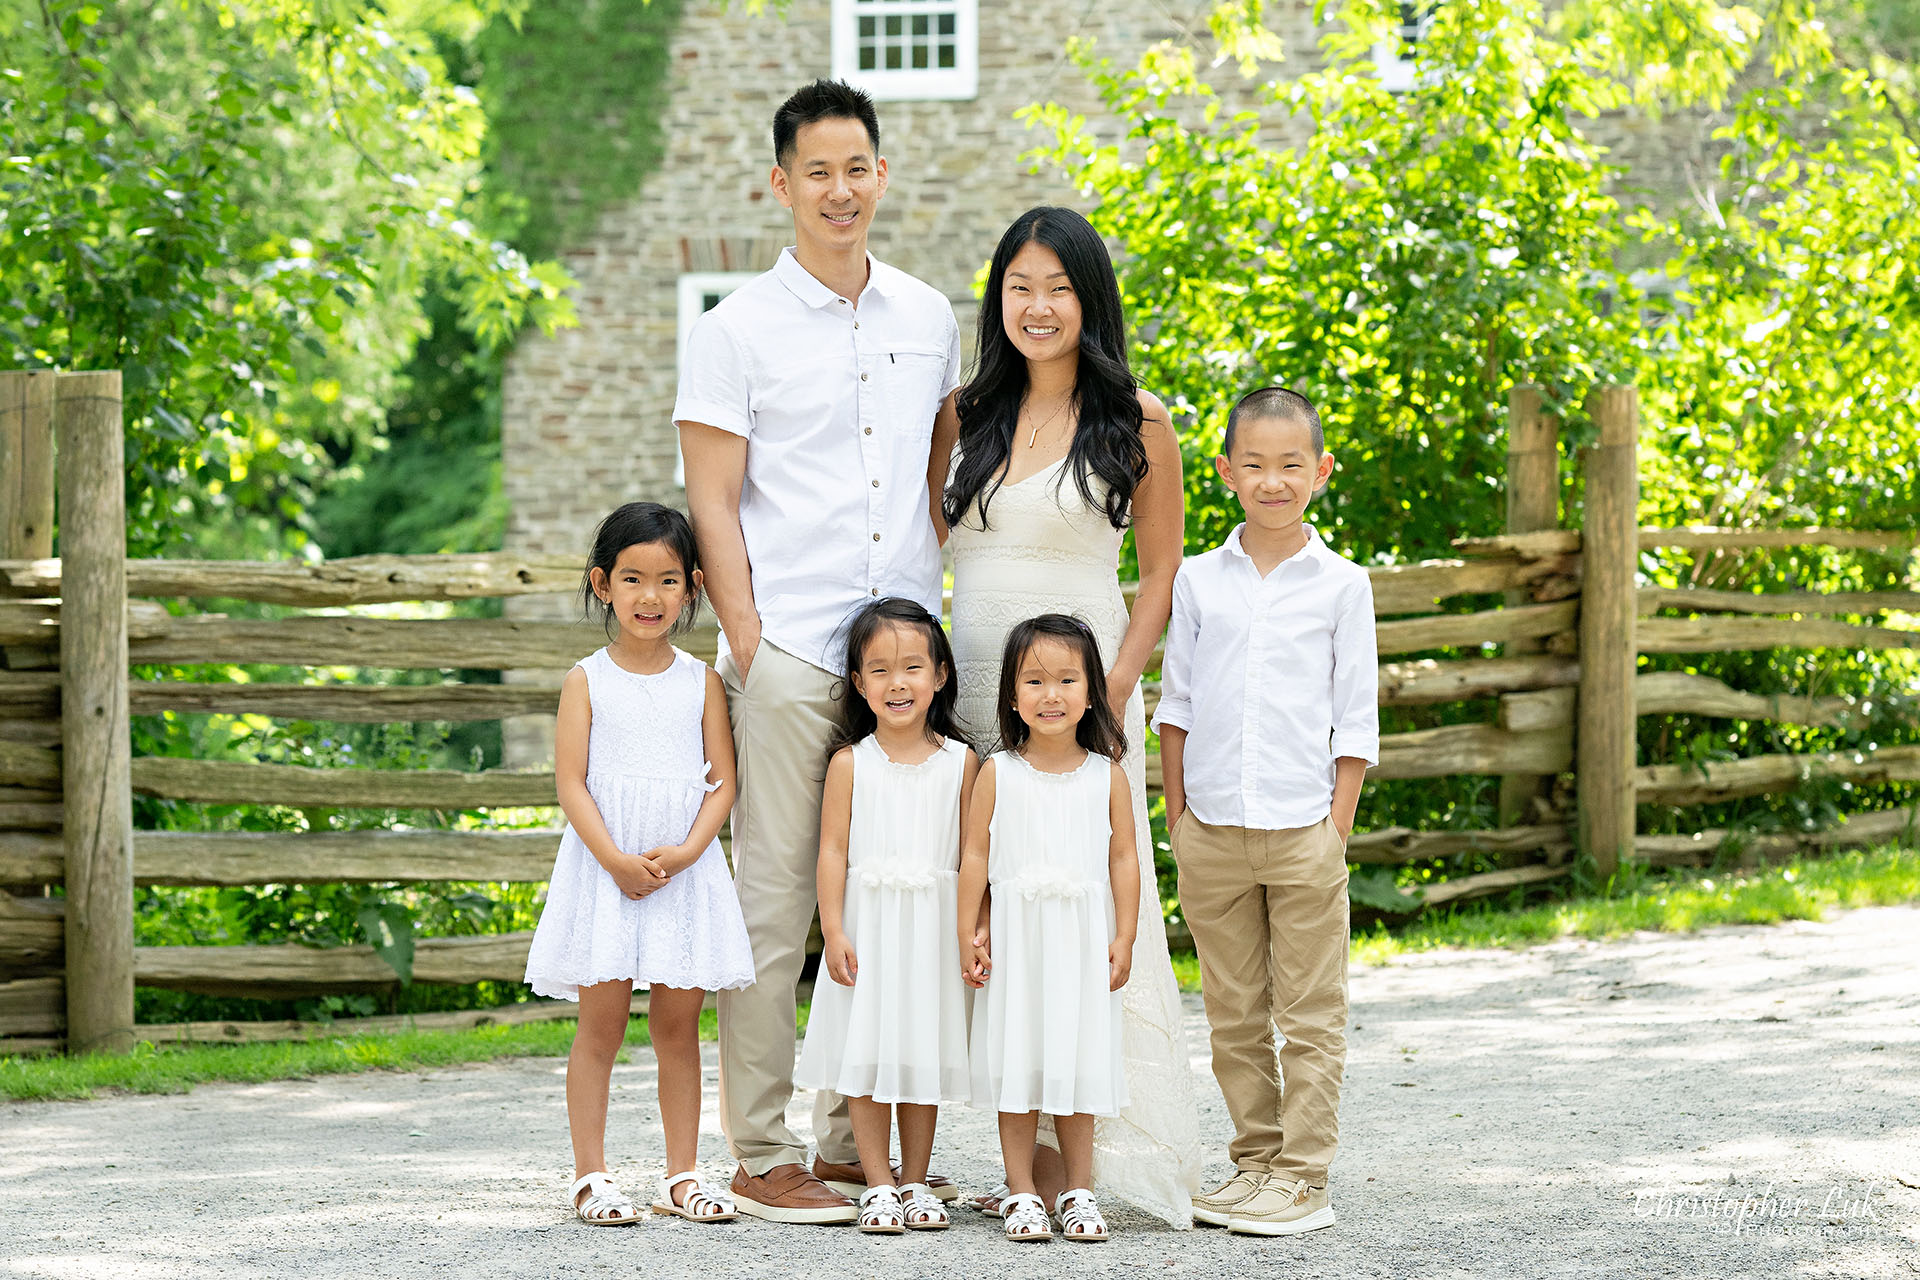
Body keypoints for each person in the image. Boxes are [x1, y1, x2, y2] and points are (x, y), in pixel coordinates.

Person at [674, 79, 963, 1223]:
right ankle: (758, 1145)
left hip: (904, 660)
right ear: (780, 184)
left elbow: (943, 481)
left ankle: (858, 1139)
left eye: (859, 168)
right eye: (818, 172)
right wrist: (751, 646)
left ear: (881, 176)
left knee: (890, 895)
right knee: (775, 898)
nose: (840, 190)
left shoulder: (930, 316)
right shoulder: (732, 329)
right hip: (793, 648)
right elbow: (712, 507)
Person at [941, 206, 1202, 1225]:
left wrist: (1118, 692)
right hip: (970, 692)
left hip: (1082, 702)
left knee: (1081, 903)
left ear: (1090, 300)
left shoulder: (1139, 419)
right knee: (981, 908)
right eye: (1019, 286)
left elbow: (1161, 568)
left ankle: (1085, 1158)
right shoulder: (961, 414)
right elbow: (931, 548)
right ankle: (946, 1148)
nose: (1037, 306)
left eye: (1058, 287)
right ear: (997, 297)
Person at [1153, 387, 1379, 1236]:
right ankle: (1255, 1165)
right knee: (1233, 1012)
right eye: (1255, 465)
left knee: (1311, 1013)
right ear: (1226, 473)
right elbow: (1174, 704)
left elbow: (1356, 719)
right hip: (1210, 829)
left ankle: (1305, 1176)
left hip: (1303, 831)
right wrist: (1177, 816)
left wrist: (1336, 826)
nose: (1273, 481)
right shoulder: (1200, 582)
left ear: (1319, 472)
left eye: (1291, 465)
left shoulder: (1342, 586)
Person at [523, 502, 755, 1227]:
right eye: (632, 579)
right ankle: (590, 1176)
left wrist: (688, 850)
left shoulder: (702, 682)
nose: (649, 597)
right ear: (602, 584)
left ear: (692, 587)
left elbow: (724, 779)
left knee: (679, 1029)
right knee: (602, 1026)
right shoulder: (585, 681)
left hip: (681, 873)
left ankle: (682, 1175)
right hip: (606, 870)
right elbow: (570, 782)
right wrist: (614, 860)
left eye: (666, 581)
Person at [793, 598, 980, 1234]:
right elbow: (833, 851)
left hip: (932, 929)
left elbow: (972, 853)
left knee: (921, 1051)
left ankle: (917, 1179)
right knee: (867, 1054)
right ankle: (876, 1182)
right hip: (869, 929)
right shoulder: (850, 763)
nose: (897, 683)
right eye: (879, 670)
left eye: (912, 668)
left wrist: (973, 925)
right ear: (857, 683)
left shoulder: (962, 762)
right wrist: (835, 928)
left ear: (940, 675)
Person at [959, 615, 1138, 1244]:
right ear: (1012, 693)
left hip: (1081, 941)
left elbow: (1123, 858)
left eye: (1067, 679)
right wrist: (969, 930)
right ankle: (1022, 1192)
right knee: (1018, 1063)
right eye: (1035, 680)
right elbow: (976, 857)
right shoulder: (997, 772)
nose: (1052, 694)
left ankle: (1079, 1192)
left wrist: (1126, 934)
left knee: (1076, 1061)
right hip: (1016, 940)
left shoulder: (1105, 774)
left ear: (1091, 692)